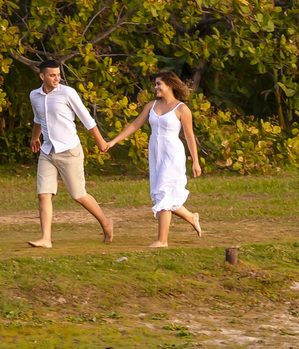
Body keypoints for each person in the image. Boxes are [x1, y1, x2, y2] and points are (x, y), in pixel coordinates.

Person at [102, 71, 203, 247]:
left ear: (169, 85)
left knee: (164, 192)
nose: (155, 87)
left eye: (159, 84)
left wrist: (195, 161)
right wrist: (113, 142)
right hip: (156, 154)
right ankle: (191, 216)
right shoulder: (151, 105)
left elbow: (189, 136)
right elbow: (135, 124)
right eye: (155, 84)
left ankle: (162, 241)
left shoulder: (181, 109)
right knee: (160, 194)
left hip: (172, 154)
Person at [28, 59, 114, 248]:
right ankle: (46, 239)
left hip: (69, 150)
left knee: (78, 194)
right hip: (47, 151)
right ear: (42, 76)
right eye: (52, 75)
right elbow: (37, 118)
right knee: (44, 194)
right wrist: (35, 138)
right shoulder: (34, 95)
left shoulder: (68, 93)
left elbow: (86, 118)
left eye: (58, 75)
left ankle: (106, 222)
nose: (57, 78)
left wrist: (100, 141)